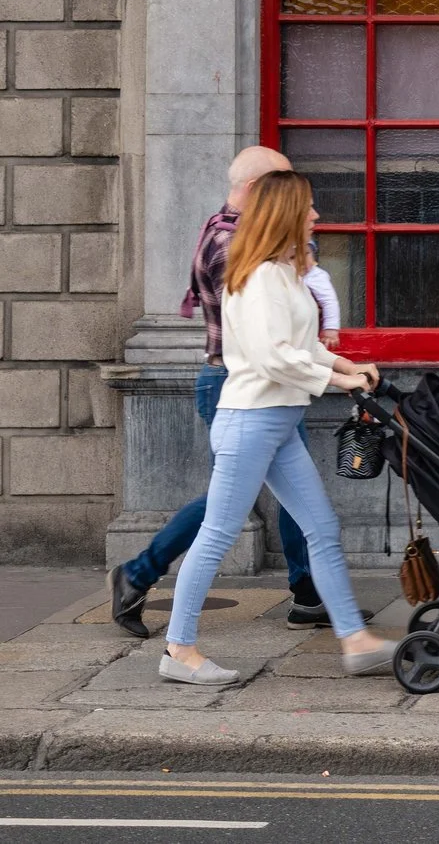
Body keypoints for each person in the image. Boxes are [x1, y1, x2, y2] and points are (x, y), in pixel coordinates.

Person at [159, 170, 390, 685]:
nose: (315, 215)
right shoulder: (260, 276)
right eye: (307, 207)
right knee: (217, 535)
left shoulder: (284, 273)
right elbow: (272, 359)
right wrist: (337, 381)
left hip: (279, 422)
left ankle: (355, 640)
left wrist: (346, 366)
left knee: (322, 527)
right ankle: (178, 649)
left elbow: (301, 347)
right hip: (251, 422)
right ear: (284, 212)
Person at [108, 147, 342, 636]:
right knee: (225, 505)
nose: (304, 207)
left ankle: (309, 593)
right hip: (241, 382)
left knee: (290, 495)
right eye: (285, 188)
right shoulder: (234, 245)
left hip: (270, 379)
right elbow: (267, 335)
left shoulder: (239, 235)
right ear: (260, 191)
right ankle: (141, 578)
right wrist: (331, 372)